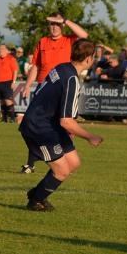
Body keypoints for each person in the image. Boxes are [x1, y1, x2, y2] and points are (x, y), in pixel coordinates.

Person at [19, 38, 103, 211]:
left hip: (49, 122)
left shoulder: (62, 67)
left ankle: (37, 193)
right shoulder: (72, 79)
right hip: (39, 127)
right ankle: (35, 200)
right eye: (93, 56)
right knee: (62, 171)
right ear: (88, 58)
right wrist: (90, 136)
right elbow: (66, 121)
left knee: (73, 162)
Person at [21, 12, 88, 173]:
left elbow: (84, 35)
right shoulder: (43, 41)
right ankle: (30, 164)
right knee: (38, 124)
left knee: (65, 123)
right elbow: (36, 65)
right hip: (44, 87)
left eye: (57, 24)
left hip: (63, 88)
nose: (54, 27)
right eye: (51, 23)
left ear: (62, 25)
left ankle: (63, 160)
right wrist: (27, 85)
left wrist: (65, 20)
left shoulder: (69, 40)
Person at [0, 44, 19, 123]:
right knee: (2, 101)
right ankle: (4, 118)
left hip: (7, 82)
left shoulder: (11, 59)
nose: (1, 50)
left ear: (7, 50)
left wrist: (14, 82)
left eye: (3, 49)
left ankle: (12, 118)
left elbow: (15, 71)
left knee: (8, 100)